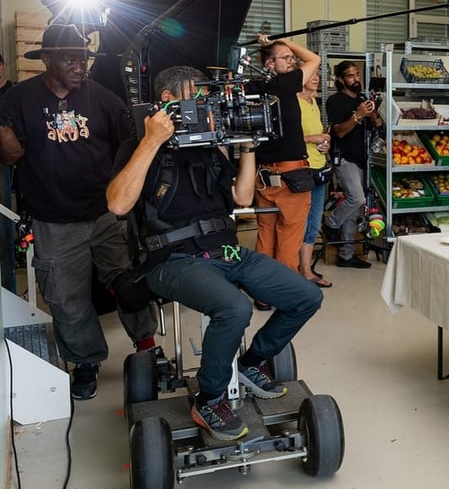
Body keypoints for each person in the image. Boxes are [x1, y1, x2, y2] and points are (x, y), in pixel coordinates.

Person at [106, 66, 322, 441]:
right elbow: (118, 204)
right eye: (198, 97)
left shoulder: (209, 144)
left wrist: (248, 149)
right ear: (169, 101)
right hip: (171, 260)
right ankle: (208, 398)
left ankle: (251, 363)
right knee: (234, 309)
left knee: (306, 296)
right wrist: (152, 141)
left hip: (226, 251)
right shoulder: (139, 144)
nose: (207, 105)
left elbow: (240, 198)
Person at [0, 23, 158, 401]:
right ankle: (86, 360)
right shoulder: (18, 99)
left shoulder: (103, 99)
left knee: (129, 282)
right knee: (65, 298)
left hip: (106, 214)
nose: (79, 65)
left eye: (84, 57)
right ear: (48, 58)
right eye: (70, 57)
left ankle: (148, 345)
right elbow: (11, 155)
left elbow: (132, 143)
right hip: (54, 219)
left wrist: (123, 184)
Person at [252, 35, 321, 274]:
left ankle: (262, 291)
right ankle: (283, 290)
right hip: (292, 174)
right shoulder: (286, 83)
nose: (292, 61)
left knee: (266, 234)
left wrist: (279, 48)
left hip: (263, 176)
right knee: (289, 236)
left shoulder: (252, 89)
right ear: (270, 64)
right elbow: (314, 58)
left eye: (292, 58)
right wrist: (286, 41)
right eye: (286, 58)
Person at [324, 60, 375, 269]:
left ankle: (347, 255)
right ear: (340, 79)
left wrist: (372, 115)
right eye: (350, 76)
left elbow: (376, 125)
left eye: (357, 75)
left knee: (355, 210)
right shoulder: (335, 101)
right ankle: (330, 224)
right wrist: (358, 115)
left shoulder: (362, 99)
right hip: (344, 158)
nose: (356, 79)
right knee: (356, 198)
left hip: (363, 157)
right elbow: (340, 132)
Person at [298, 68, 333, 287]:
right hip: (301, 170)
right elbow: (287, 140)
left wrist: (323, 145)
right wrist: (313, 138)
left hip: (318, 168)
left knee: (313, 222)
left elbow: (315, 138)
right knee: (299, 223)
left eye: (317, 75)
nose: (316, 78)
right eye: (311, 74)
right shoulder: (294, 102)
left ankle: (306, 269)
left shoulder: (313, 103)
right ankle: (297, 269)